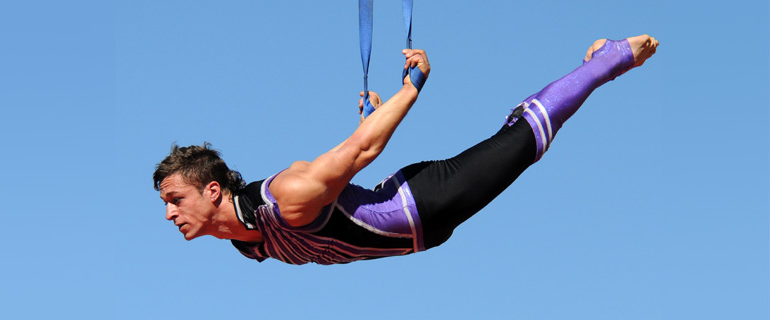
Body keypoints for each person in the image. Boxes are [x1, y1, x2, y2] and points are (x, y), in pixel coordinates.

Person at [153, 35, 659, 265]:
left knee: (521, 141)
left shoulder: (286, 199)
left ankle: (607, 60)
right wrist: (367, 121)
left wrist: (413, 86)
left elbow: (362, 151)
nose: (170, 213)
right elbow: (345, 167)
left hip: (422, 203)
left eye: (176, 199)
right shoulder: (247, 243)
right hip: (420, 234)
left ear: (213, 190)